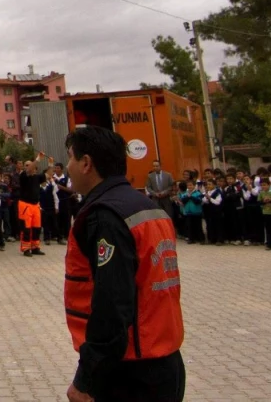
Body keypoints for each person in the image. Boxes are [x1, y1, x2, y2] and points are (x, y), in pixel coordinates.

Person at [62, 126, 185, 402]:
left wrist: (87, 378)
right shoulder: (143, 204)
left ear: (86, 163)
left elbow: (112, 303)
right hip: (164, 359)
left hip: (130, 372)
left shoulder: (106, 216)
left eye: (70, 157)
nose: (67, 166)